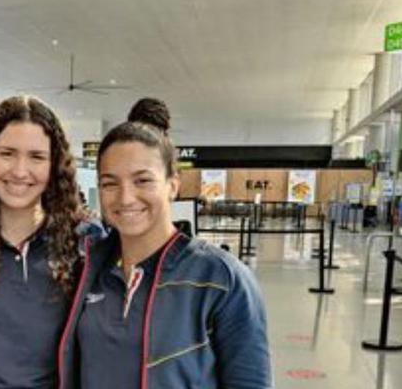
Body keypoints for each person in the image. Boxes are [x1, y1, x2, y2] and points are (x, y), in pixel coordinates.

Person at [58, 98, 271, 389]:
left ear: (172, 185)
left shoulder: (221, 279)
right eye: (110, 183)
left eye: (142, 181)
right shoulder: (88, 269)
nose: (125, 198)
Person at [0, 95, 86, 389]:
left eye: (37, 157)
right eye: (7, 153)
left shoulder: (84, 244)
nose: (20, 171)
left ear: (54, 167)